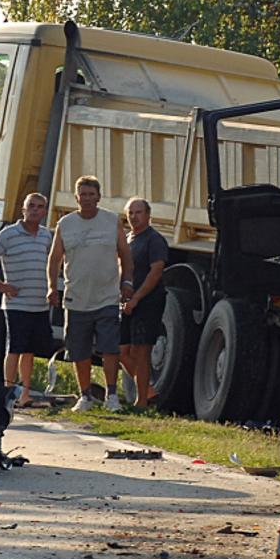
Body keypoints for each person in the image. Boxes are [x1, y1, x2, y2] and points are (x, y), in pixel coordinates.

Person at [47, 175, 133, 413]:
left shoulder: (111, 221)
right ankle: (84, 396)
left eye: (91, 194)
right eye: (82, 194)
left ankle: (112, 396)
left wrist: (127, 281)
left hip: (106, 296)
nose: (87, 199)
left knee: (109, 348)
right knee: (79, 350)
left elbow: (125, 254)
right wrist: (52, 287)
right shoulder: (66, 224)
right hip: (77, 297)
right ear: (76, 198)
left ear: (99, 197)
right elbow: (54, 259)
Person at [0, 193, 53, 407]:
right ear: (23, 209)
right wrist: (0, 285)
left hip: (39, 303)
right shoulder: (9, 234)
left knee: (30, 350)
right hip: (17, 303)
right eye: (31, 205)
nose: (35, 210)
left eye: (40, 207)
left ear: (45, 212)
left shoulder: (46, 236)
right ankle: (8, 391)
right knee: (15, 348)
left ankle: (25, 394)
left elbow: (53, 263)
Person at [118, 197, 168, 410]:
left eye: (138, 212)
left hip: (148, 301)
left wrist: (137, 298)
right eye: (131, 213)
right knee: (121, 350)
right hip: (127, 301)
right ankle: (148, 390)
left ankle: (141, 401)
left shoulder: (154, 240)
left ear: (148, 215)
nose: (134, 217)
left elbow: (156, 272)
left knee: (141, 351)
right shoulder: (128, 239)